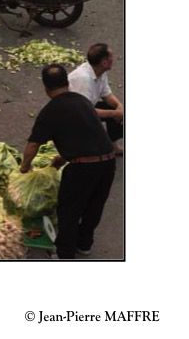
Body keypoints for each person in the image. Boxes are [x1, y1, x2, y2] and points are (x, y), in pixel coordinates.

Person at [20, 64, 116, 259]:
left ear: (46, 88)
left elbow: (33, 145)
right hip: (108, 161)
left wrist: (24, 169)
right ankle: (84, 244)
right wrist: (62, 158)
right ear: (67, 82)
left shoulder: (50, 111)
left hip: (83, 168)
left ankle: (65, 254)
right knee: (93, 206)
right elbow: (85, 134)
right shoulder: (83, 101)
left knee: (68, 211)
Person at [68, 43, 124, 155]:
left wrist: (119, 107)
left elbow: (107, 95)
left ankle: (113, 145)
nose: (113, 59)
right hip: (74, 114)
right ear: (104, 62)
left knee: (113, 109)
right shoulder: (83, 79)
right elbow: (85, 111)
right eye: (111, 57)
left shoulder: (100, 71)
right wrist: (114, 114)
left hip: (87, 107)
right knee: (110, 115)